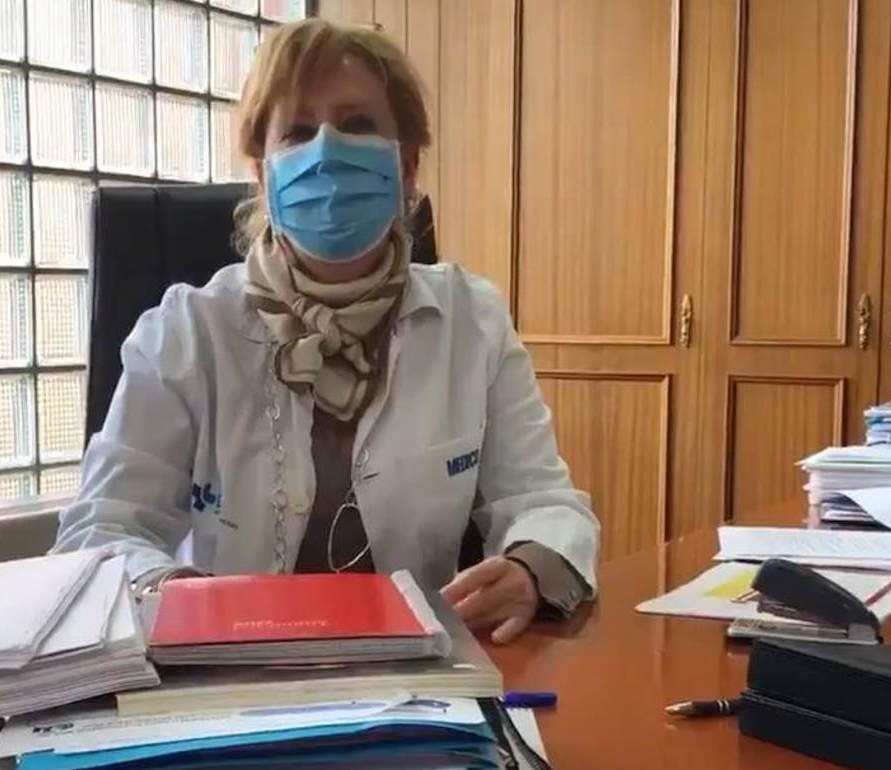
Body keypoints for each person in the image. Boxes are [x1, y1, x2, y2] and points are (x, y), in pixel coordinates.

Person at [53, 18, 599, 643]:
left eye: (358, 124)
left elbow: (545, 502)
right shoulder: (186, 332)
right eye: (298, 132)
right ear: (264, 174)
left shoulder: (472, 323)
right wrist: (175, 596)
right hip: (224, 666)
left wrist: (529, 567)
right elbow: (101, 532)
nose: (328, 152)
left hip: (418, 671)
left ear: (408, 166)